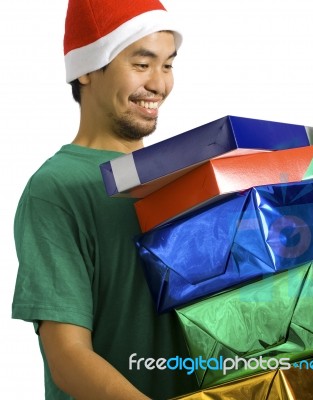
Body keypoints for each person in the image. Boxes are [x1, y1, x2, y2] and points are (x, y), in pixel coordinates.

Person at [12, 0, 198, 399]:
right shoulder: (56, 189)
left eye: (167, 65)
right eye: (141, 64)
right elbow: (67, 357)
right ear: (85, 71)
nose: (159, 85)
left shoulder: (187, 176)